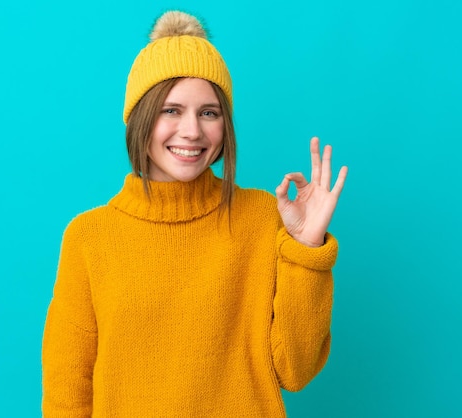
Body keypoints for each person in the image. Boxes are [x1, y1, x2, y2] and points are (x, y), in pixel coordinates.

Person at [42, 10, 348, 417]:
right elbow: (67, 389)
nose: (192, 131)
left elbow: (295, 370)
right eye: (171, 110)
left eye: (209, 112)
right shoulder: (89, 236)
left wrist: (306, 250)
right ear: (139, 119)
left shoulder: (261, 217)